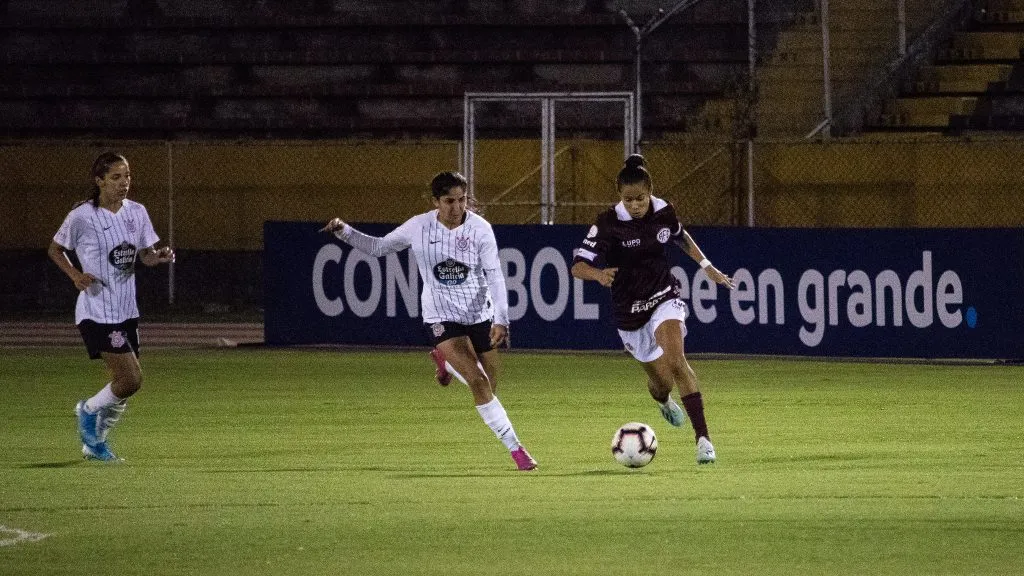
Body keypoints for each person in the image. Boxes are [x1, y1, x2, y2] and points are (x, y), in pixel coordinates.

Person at [320, 171, 537, 471]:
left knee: (489, 386)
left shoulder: (480, 229)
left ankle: (445, 363)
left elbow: (495, 275)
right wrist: (343, 231)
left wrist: (501, 319)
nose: (457, 207)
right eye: (449, 201)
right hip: (440, 314)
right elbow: (378, 248)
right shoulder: (418, 226)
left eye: (461, 200)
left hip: (479, 313)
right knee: (477, 382)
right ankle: (517, 450)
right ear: (435, 201)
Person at [571, 154, 734, 464]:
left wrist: (707, 266)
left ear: (650, 192)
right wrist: (598, 274)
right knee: (661, 383)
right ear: (619, 196)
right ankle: (663, 400)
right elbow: (577, 266)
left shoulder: (663, 211)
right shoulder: (607, 223)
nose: (635, 205)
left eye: (640, 199)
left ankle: (703, 440)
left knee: (676, 361)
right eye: (628, 199)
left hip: (663, 296)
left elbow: (680, 236)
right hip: (629, 312)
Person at [48, 152, 176, 462]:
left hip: (127, 310)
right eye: (116, 177)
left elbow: (145, 255)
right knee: (131, 379)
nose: (124, 183)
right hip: (97, 311)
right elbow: (55, 249)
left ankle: (96, 444)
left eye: (127, 176)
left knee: (125, 385)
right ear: (100, 181)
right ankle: (88, 410)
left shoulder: (137, 212)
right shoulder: (82, 215)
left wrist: (157, 257)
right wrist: (76, 275)